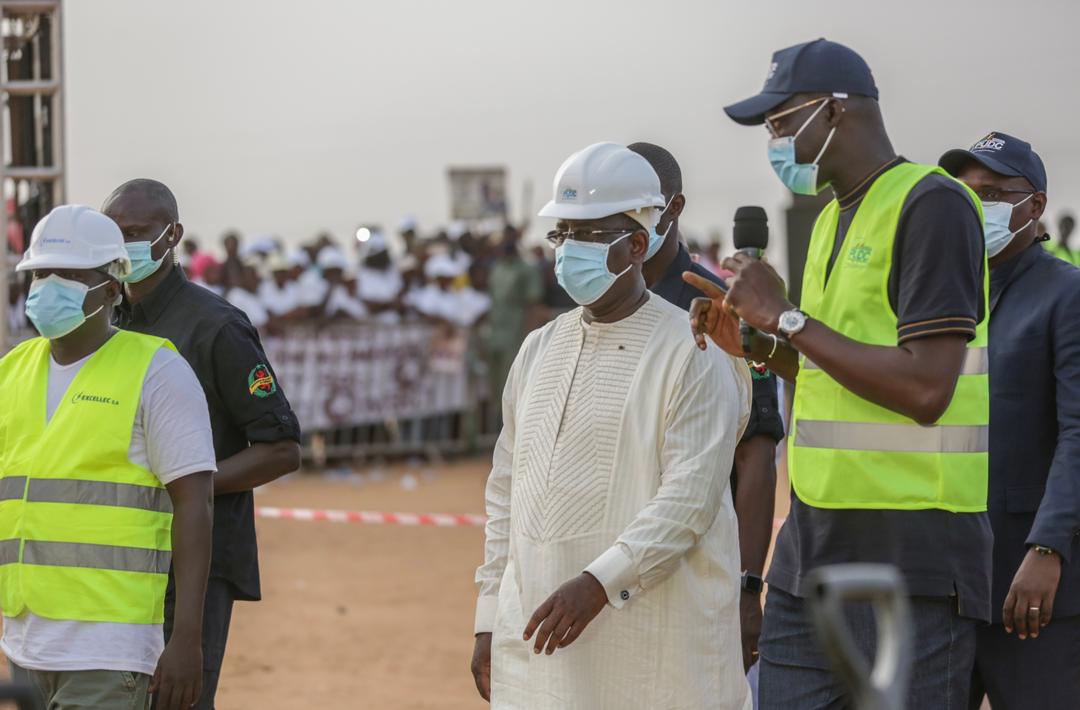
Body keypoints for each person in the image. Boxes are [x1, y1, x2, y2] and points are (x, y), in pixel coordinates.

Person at [690, 39, 991, 708]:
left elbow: (925, 388)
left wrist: (788, 319)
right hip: (813, 551)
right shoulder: (829, 218)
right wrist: (759, 346)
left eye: (780, 121)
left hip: (911, 560)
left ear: (835, 111)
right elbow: (831, 365)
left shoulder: (931, 205)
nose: (774, 141)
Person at [471, 142, 752, 709]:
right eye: (563, 233)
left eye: (590, 234)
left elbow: (690, 500)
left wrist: (599, 583)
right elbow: (506, 492)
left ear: (638, 244)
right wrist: (488, 620)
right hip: (540, 640)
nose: (569, 249)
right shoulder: (536, 350)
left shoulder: (692, 348)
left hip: (657, 645)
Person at [1, 205, 214, 710]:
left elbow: (196, 504)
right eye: (41, 273)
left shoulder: (157, 371)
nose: (50, 286)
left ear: (114, 284)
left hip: (110, 647)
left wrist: (186, 637)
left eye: (72, 275)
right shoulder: (12, 370)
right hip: (24, 640)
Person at [102, 179, 302, 710]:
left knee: (178, 700)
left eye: (138, 233)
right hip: (126, 553)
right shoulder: (109, 323)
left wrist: (193, 487)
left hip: (198, 557)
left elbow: (281, 447)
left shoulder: (215, 327)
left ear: (174, 235)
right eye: (115, 234)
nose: (126, 245)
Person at [629, 141, 785, 671]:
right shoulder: (590, 315)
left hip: (698, 578)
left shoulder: (720, 308)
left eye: (636, 204)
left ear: (672, 209)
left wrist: (746, 589)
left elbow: (755, 459)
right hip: (612, 577)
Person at [938, 133, 1080, 709]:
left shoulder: (1066, 295)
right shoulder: (943, 297)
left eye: (994, 194)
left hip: (1035, 590)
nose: (978, 207)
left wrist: (1048, 549)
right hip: (945, 585)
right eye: (967, 194)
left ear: (1036, 205)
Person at [484, 225, 542, 426]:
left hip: (516, 334)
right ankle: (496, 429)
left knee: (515, 384)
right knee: (494, 385)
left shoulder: (527, 269)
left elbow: (533, 304)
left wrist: (530, 335)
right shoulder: (496, 268)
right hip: (495, 334)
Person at [356, 231, 404, 324]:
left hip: (396, 328)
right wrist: (391, 305)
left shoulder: (392, 271)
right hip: (372, 329)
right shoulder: (362, 274)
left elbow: (400, 296)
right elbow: (369, 306)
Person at [226, 263, 270, 330]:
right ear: (243, 278)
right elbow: (240, 324)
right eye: (252, 277)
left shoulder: (256, 293)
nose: (255, 280)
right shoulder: (236, 295)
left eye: (256, 277)